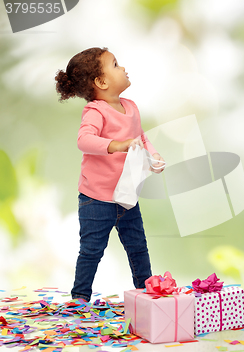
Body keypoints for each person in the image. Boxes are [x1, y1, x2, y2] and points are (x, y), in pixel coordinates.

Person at [55, 47, 165, 302]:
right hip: (96, 198)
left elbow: (141, 138)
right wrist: (116, 145)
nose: (123, 68)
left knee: (138, 248)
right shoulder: (96, 111)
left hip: (127, 195)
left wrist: (154, 155)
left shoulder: (131, 107)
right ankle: (80, 297)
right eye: (115, 64)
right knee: (92, 250)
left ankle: (146, 294)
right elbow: (84, 140)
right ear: (101, 82)